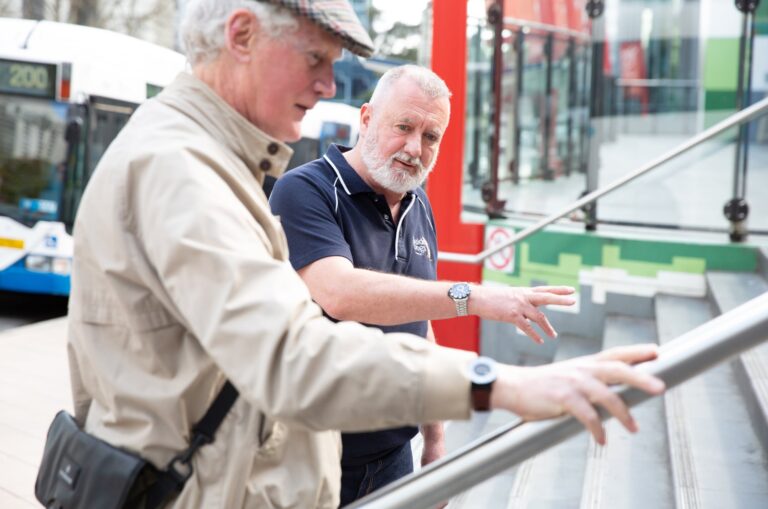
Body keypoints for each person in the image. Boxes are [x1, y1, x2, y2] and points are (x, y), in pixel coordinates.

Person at [66, 1, 665, 508]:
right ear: (241, 36)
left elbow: (401, 321)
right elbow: (295, 349)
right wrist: (491, 382)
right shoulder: (184, 171)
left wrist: (432, 425)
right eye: (315, 58)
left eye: (431, 136)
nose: (328, 83)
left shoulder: (208, 159)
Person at [269, 64, 577, 505]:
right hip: (315, 453)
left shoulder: (418, 203)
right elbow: (340, 294)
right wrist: (472, 297)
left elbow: (419, 323)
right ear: (367, 118)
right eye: (404, 127)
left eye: (431, 136)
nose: (415, 148)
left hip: (395, 452)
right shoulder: (305, 190)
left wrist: (434, 440)